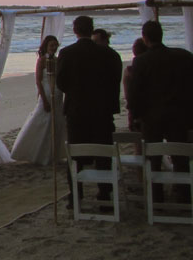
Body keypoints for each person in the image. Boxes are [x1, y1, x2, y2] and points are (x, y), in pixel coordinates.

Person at [127, 20, 193, 202]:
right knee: (180, 156)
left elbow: (135, 93)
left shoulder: (141, 61)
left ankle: (156, 198)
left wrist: (136, 114)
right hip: (180, 114)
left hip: (152, 116)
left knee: (153, 158)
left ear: (145, 38)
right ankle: (185, 195)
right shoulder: (183, 56)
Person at [56, 16, 120, 206]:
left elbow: (61, 83)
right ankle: (104, 192)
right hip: (102, 109)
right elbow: (115, 80)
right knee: (103, 151)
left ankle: (76, 194)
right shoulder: (109, 54)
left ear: (75, 30)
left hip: (77, 109)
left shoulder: (67, 53)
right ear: (91, 30)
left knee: (75, 153)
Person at [11, 35, 67, 165]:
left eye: (55, 45)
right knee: (43, 119)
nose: (54, 48)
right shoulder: (42, 60)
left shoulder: (58, 60)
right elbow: (38, 81)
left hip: (58, 93)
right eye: (51, 45)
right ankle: (38, 153)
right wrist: (44, 99)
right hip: (46, 93)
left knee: (57, 122)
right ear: (46, 47)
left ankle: (54, 154)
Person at [122, 38, 149, 132]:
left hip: (136, 108)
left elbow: (128, 94)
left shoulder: (129, 71)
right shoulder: (152, 68)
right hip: (150, 107)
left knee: (137, 136)